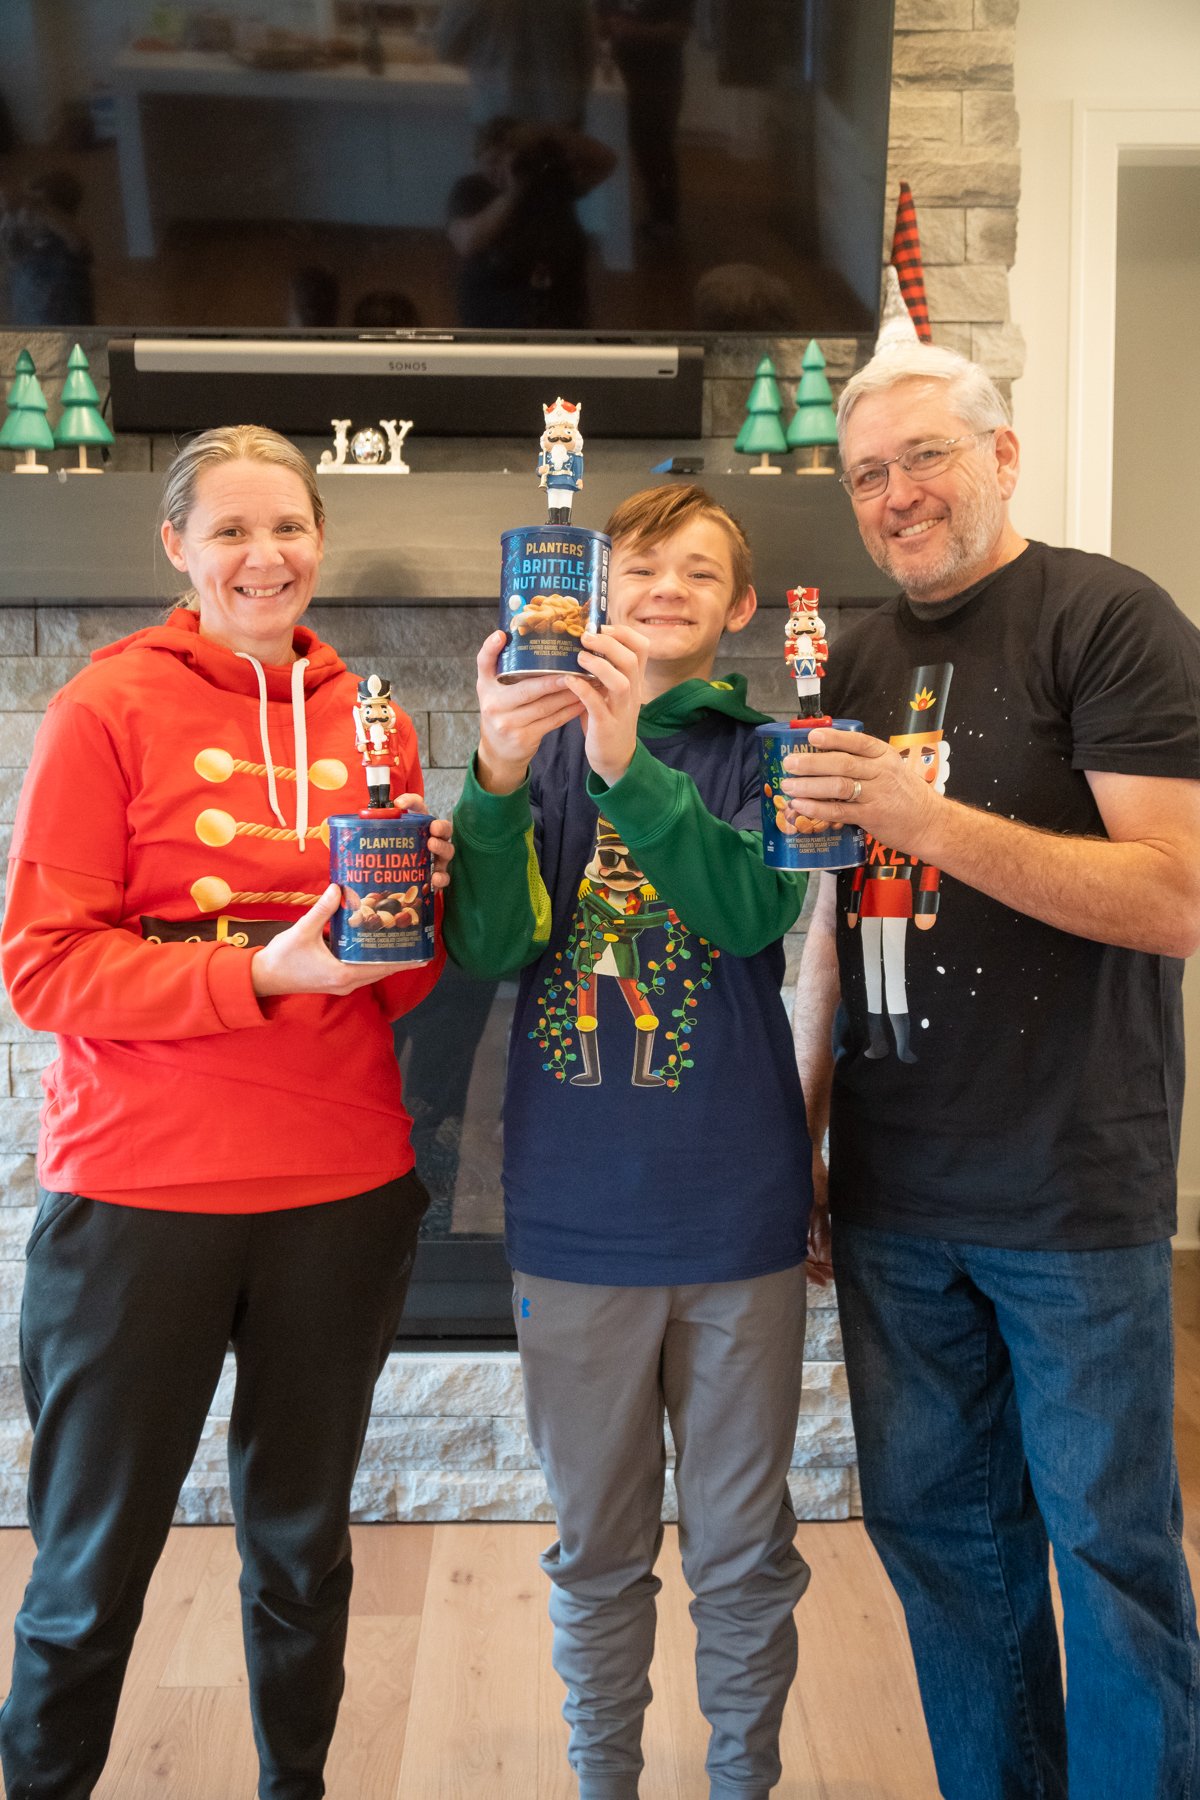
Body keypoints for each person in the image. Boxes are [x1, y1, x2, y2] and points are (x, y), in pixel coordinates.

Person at [0, 424, 453, 1800]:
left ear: (321, 541)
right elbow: (40, 966)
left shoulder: (374, 718)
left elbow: (398, 984)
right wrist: (261, 968)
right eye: (234, 532)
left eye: (289, 530)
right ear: (178, 550)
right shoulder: (107, 708)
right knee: (90, 1563)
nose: (266, 558)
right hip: (142, 1192)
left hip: (340, 1181)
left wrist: (415, 901)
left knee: (304, 1548)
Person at [785, 342, 1200, 1799]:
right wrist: (809, 1142)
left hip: (1073, 1183)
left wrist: (927, 813)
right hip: (897, 1193)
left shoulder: (1108, 618)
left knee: (1109, 1550)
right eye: (870, 475)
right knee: (945, 1544)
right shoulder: (847, 657)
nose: (900, 496)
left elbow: (1178, 893)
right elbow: (828, 925)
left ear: (1003, 455)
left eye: (928, 458)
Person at [443, 484, 813, 1799]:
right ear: (594, 588)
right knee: (595, 1544)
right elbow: (491, 944)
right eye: (643, 568)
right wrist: (494, 778)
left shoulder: (770, 759)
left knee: (740, 1544)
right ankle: (604, 1778)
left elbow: (753, 917)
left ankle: (744, 1782)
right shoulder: (531, 751)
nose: (666, 591)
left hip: (739, 1216)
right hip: (576, 1218)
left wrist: (625, 768)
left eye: (698, 574)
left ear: (741, 607)